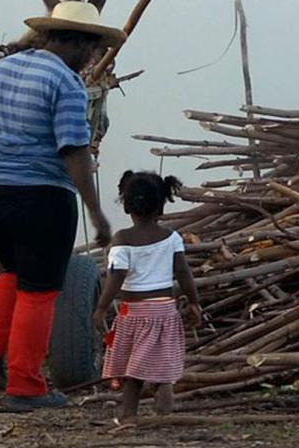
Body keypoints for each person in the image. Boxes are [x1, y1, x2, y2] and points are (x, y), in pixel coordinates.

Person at [0, 0, 125, 412]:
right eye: (91, 47)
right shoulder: (68, 84)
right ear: (76, 42)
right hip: (40, 195)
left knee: (15, 270)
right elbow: (73, 151)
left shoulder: (4, 68)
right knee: (41, 289)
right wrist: (97, 214)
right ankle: (26, 385)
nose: (93, 56)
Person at [93, 170, 202, 421]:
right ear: (161, 207)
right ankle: (163, 384)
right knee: (160, 355)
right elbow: (183, 273)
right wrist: (195, 302)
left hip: (134, 312)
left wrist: (101, 308)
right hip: (165, 309)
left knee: (133, 369)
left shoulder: (122, 239)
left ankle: (129, 415)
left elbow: (116, 277)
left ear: (127, 206)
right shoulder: (172, 238)